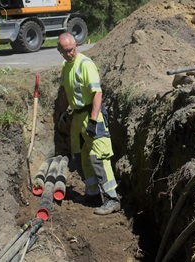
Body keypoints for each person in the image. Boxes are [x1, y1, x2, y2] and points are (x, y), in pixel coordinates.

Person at [57, 32, 120, 215]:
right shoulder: (65, 65)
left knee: (98, 157)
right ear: (59, 50)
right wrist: (62, 113)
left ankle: (112, 198)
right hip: (77, 117)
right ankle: (92, 195)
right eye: (66, 51)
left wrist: (93, 120)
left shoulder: (85, 64)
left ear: (76, 46)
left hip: (91, 115)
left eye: (72, 49)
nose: (70, 54)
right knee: (80, 157)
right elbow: (65, 91)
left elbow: (97, 94)